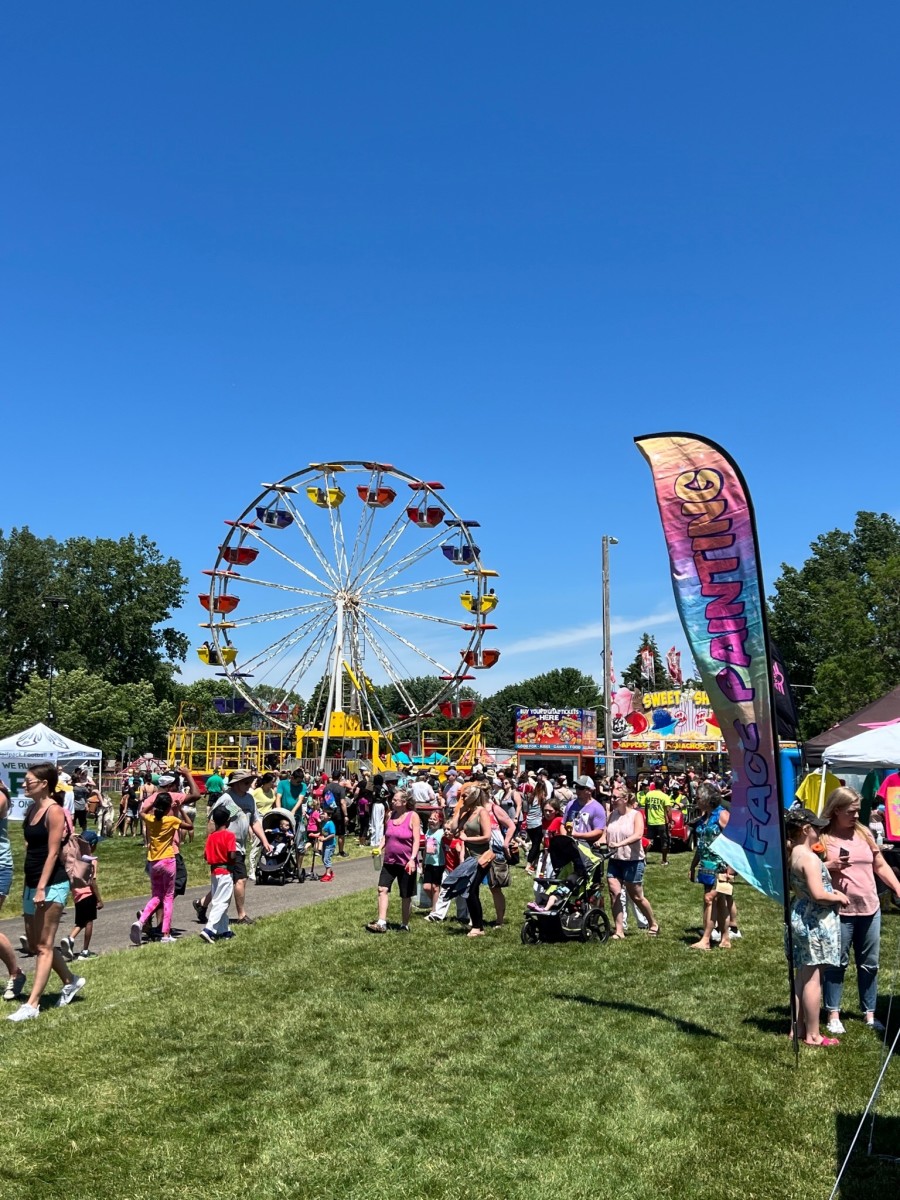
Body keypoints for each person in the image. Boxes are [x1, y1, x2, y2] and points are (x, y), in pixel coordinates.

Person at [8, 765, 85, 1022]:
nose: (24, 784)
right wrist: (30, 885)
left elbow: (52, 853)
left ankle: (33, 1004)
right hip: (32, 882)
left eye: (29, 781)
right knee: (35, 943)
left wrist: (42, 887)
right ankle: (71, 980)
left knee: (42, 946)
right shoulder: (31, 808)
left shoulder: (54, 811)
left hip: (52, 883)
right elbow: (32, 848)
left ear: (44, 783)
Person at [822, 786, 900, 1035]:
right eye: (851, 811)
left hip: (870, 908)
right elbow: (804, 868)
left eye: (858, 811)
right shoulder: (823, 837)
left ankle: (870, 1013)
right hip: (839, 912)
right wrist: (829, 865)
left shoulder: (864, 832)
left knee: (870, 964)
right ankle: (833, 1013)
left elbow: (880, 865)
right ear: (836, 811)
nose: (856, 816)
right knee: (837, 963)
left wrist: (898, 887)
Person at [784, 805, 848, 1047]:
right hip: (815, 920)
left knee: (802, 975)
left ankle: (797, 1028)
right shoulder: (809, 858)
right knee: (813, 978)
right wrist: (838, 896)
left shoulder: (793, 855)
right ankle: (813, 1034)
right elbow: (818, 893)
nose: (820, 832)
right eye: (816, 828)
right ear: (805, 829)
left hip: (799, 913)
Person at [199, 769, 273, 925]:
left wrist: (265, 841)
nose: (249, 785)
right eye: (246, 782)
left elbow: (254, 821)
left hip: (240, 845)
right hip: (227, 845)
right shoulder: (227, 798)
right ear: (237, 783)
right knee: (240, 879)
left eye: (250, 782)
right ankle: (241, 915)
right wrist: (210, 844)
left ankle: (201, 904)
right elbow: (212, 821)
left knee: (226, 880)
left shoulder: (249, 799)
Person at [131, 780, 195, 946]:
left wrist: (152, 800)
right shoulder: (171, 820)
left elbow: (141, 812)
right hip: (168, 859)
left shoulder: (151, 819)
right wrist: (180, 809)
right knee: (167, 897)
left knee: (156, 895)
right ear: (168, 808)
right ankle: (165, 933)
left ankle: (141, 920)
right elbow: (189, 826)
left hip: (153, 861)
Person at [366, 790, 422, 933]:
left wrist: (412, 859)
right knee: (382, 889)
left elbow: (416, 840)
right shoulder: (390, 815)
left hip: (406, 863)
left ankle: (404, 924)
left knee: (406, 895)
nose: (392, 801)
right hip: (389, 861)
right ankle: (381, 922)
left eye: (396, 800)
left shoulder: (413, 816)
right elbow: (387, 835)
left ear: (404, 802)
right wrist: (379, 848)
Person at [606, 791, 659, 939]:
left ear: (625, 798)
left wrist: (619, 844)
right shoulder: (612, 815)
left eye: (615, 797)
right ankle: (619, 930)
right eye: (611, 797)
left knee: (636, 896)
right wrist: (601, 840)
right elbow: (606, 832)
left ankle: (653, 923)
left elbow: (638, 835)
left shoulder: (635, 815)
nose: (613, 800)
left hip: (633, 860)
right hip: (615, 860)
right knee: (614, 893)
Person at [688, 784, 734, 949]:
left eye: (699, 798)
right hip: (706, 866)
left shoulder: (722, 815)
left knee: (709, 899)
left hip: (720, 867)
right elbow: (702, 845)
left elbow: (735, 841)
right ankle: (725, 938)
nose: (696, 800)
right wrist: (693, 866)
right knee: (719, 902)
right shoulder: (704, 818)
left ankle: (706, 939)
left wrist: (731, 868)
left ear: (708, 799)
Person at [455, 784, 494, 938]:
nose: (462, 798)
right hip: (468, 858)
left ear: (472, 797)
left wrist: (467, 838)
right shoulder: (468, 812)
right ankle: (477, 924)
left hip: (481, 858)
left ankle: (478, 927)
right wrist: (459, 812)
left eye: (464, 796)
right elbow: (454, 829)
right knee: (471, 891)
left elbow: (487, 836)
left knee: (471, 890)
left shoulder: (482, 812)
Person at [61, 829, 103, 961]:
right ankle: (85, 950)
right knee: (89, 922)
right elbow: (93, 882)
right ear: (92, 845)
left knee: (81, 921)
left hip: (76, 895)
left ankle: (70, 939)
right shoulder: (91, 861)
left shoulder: (73, 858)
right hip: (88, 894)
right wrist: (99, 899)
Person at [200, 805, 237, 943]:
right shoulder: (229, 835)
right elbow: (232, 855)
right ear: (228, 821)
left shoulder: (211, 837)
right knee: (222, 902)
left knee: (219, 900)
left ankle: (223, 930)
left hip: (214, 872)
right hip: (226, 871)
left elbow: (205, 856)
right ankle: (209, 929)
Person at [421, 809, 446, 912]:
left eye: (434, 819)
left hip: (439, 863)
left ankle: (434, 910)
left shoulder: (442, 833)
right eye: (430, 819)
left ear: (440, 822)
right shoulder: (428, 832)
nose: (431, 821)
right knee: (426, 887)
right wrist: (422, 862)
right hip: (428, 862)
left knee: (435, 887)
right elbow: (426, 849)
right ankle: (437, 904)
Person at [644, 777, 672, 865]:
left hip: (651, 821)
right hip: (661, 822)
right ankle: (664, 860)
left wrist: (647, 818)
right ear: (663, 786)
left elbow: (646, 808)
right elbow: (668, 810)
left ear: (655, 786)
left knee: (649, 841)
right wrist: (670, 821)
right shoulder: (665, 796)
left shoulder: (648, 794)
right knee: (664, 841)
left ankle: (643, 858)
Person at [319, 808, 336, 882]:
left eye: (324, 814)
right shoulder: (323, 823)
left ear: (329, 816)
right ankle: (329, 872)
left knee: (326, 859)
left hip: (330, 845)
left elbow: (332, 834)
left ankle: (328, 875)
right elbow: (322, 833)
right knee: (324, 859)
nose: (322, 814)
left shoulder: (330, 823)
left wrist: (325, 839)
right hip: (325, 844)